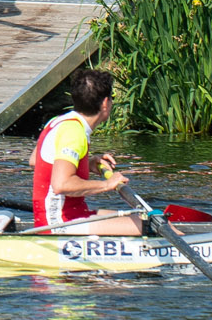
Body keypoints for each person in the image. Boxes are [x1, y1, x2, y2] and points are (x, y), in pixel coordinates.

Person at [29, 66, 142, 233]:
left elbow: (35, 161)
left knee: (144, 218)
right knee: (148, 226)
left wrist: (85, 164)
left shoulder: (59, 121)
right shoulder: (74, 132)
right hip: (59, 224)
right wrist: (107, 184)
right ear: (105, 103)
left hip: (70, 216)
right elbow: (61, 184)